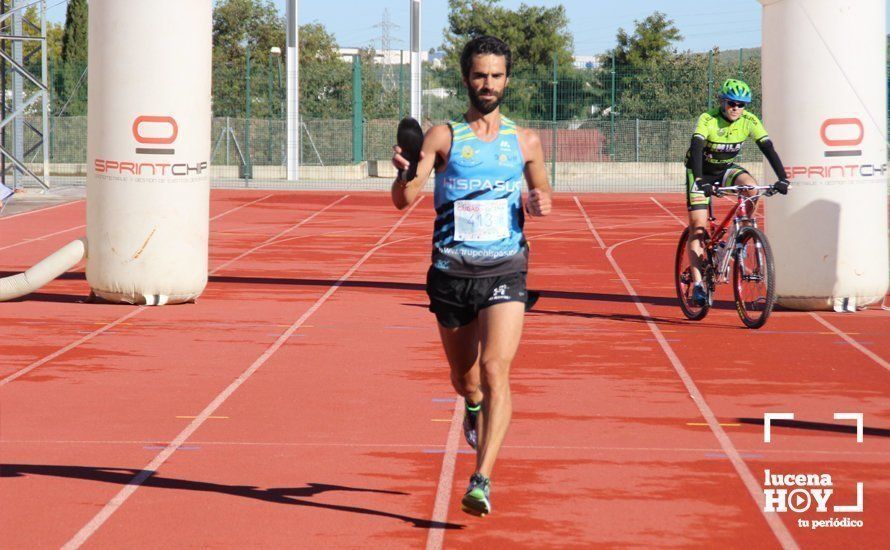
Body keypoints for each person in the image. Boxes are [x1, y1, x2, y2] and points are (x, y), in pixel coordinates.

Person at [391, 35, 552, 516]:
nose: (488, 84)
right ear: (466, 79)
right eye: (480, 75)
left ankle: (481, 477)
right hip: (451, 273)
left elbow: (543, 190)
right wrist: (405, 174)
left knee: (495, 368)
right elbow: (404, 201)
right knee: (467, 381)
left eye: (496, 75)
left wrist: (541, 201)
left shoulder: (525, 140)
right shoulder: (443, 137)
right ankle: (473, 406)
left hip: (506, 266)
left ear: (507, 79)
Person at [684, 78, 789, 306]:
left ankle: (743, 230)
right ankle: (699, 286)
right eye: (732, 103)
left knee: (751, 188)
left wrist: (783, 178)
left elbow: (767, 147)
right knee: (699, 230)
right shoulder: (708, 119)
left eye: (742, 105)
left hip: (725, 169)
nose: (736, 108)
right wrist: (701, 180)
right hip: (699, 171)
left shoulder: (749, 121)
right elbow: (696, 147)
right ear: (722, 102)